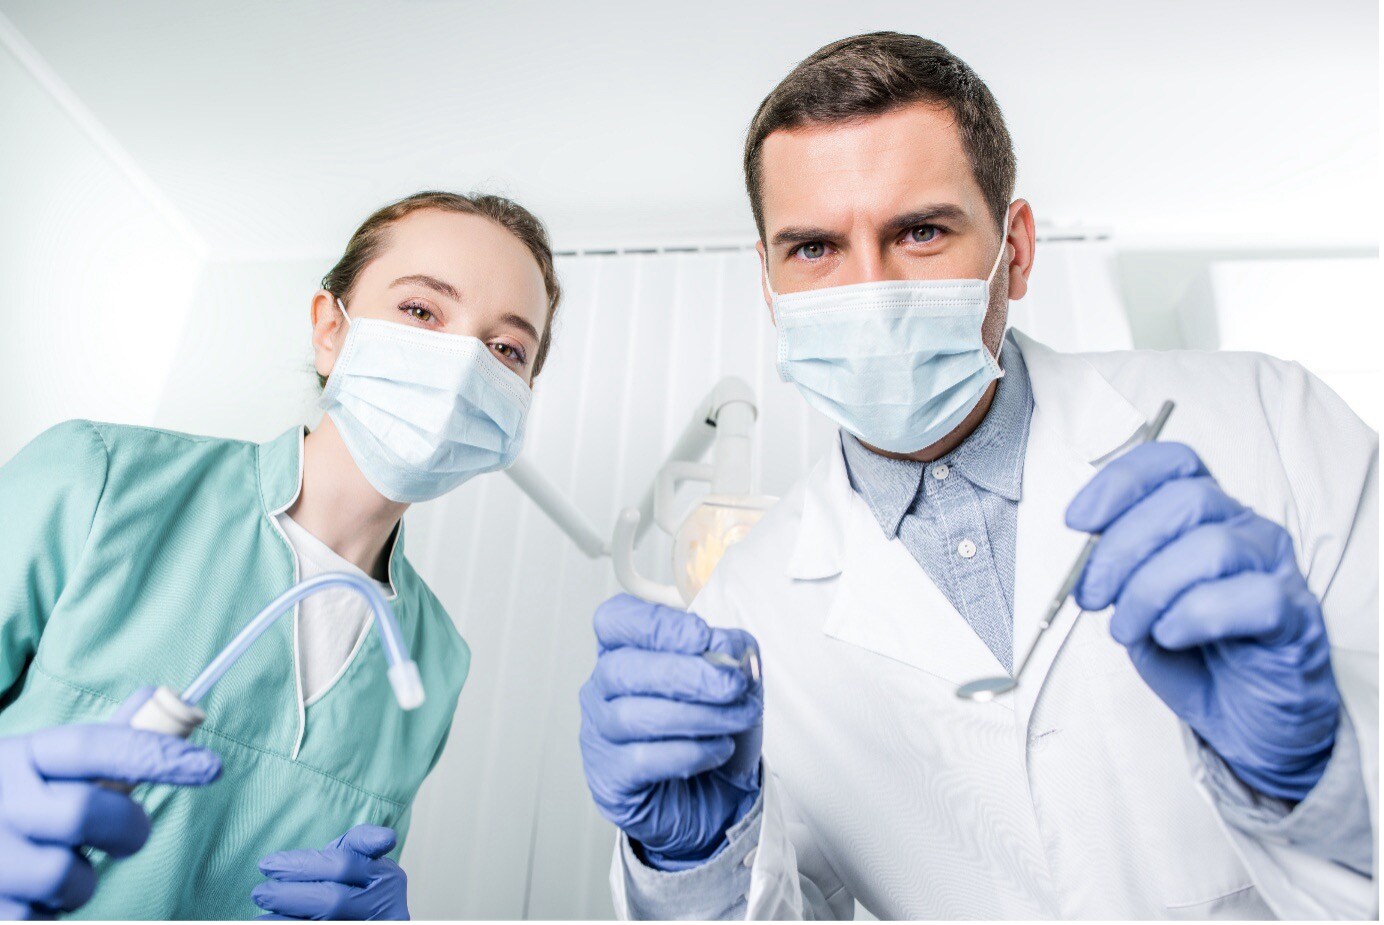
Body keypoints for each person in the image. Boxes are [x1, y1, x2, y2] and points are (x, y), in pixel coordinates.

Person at [579, 33, 1377, 919]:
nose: (870, 291)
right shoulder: (743, 609)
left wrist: (1315, 771)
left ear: (1017, 249)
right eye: (813, 249)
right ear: (768, 283)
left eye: (920, 231)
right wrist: (687, 865)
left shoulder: (1266, 420)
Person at [0, 190, 563, 919]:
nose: (461, 364)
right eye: (422, 311)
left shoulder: (439, 662)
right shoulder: (98, 478)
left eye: (506, 349)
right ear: (331, 329)